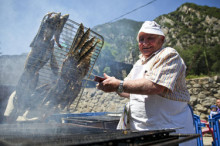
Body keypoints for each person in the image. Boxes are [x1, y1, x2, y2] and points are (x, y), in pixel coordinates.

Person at [97, 21, 196, 146]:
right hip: (142, 132)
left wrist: (118, 84)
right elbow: (128, 90)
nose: (145, 43)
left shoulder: (168, 54)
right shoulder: (139, 63)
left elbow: (154, 87)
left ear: (161, 39)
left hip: (170, 132)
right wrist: (111, 85)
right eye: (141, 39)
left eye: (151, 38)